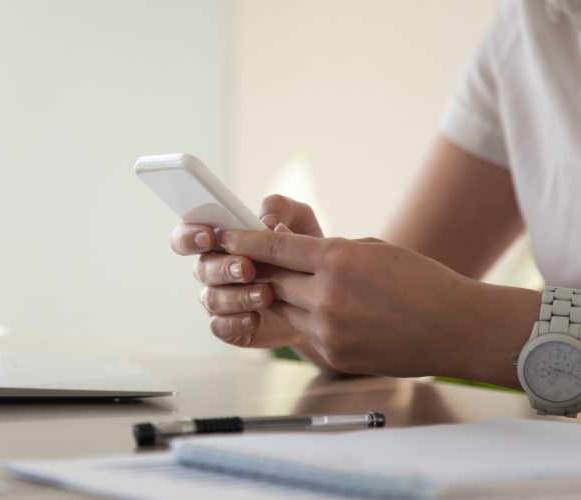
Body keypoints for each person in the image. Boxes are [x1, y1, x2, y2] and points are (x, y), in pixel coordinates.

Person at [169, 0, 581, 390]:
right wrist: (304, 308)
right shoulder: (531, 25)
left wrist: (461, 327)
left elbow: (433, 318)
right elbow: (391, 321)